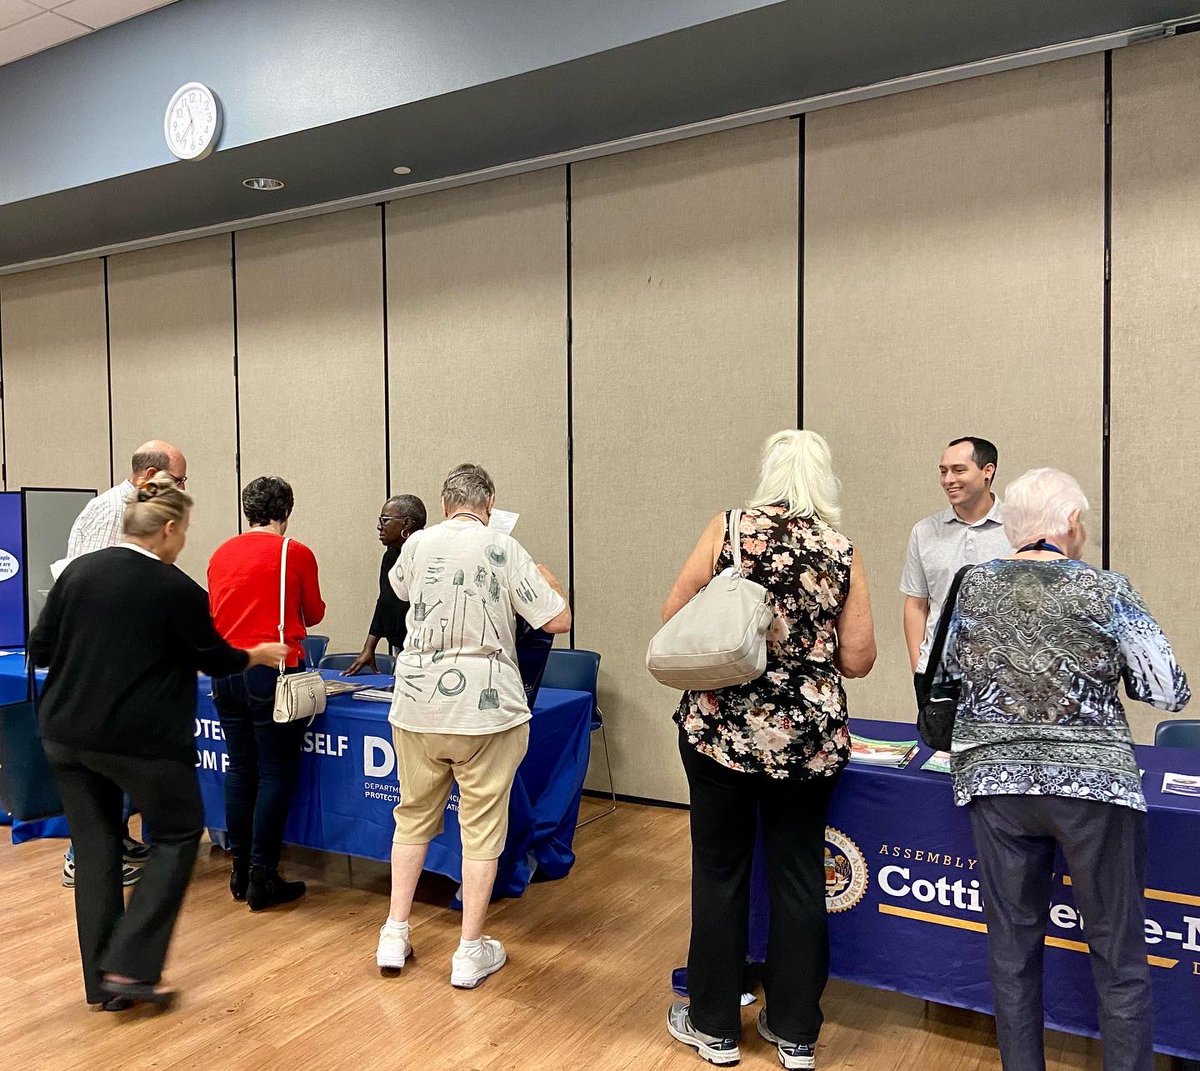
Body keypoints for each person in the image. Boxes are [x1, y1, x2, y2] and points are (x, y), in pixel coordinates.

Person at [935, 468, 1189, 1071]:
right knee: (1118, 956)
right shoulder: (1105, 589)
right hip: (1093, 789)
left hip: (995, 783)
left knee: (1012, 951)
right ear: (1072, 525)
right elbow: (1169, 692)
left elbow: (941, 670)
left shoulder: (971, 587)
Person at [29, 471, 287, 1010]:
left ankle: (101, 983)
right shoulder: (175, 589)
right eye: (185, 530)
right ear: (167, 529)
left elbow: (41, 650)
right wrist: (257, 656)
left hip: (66, 735)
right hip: (139, 741)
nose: (185, 540)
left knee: (97, 851)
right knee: (177, 834)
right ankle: (128, 967)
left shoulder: (77, 574)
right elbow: (213, 659)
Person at [663, 429, 876, 1070]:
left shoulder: (730, 529)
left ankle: (715, 1027)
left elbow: (675, 614)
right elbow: (860, 659)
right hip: (808, 743)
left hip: (719, 732)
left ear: (769, 473)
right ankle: (795, 1033)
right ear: (825, 479)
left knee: (720, 873)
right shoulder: (840, 550)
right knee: (799, 879)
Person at [374, 463, 571, 989]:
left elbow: (400, 591)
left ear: (443, 505)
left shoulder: (416, 544)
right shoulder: (506, 547)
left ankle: (394, 932)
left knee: (412, 817)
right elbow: (557, 620)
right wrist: (548, 581)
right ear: (489, 505)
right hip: (485, 710)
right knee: (482, 826)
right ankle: (468, 950)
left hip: (416, 703)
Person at [60, 439, 188, 888]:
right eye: (179, 479)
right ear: (147, 477)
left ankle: (115, 840)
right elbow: (89, 586)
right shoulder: (109, 511)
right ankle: (84, 856)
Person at [207, 476, 326, 911]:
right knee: (274, 773)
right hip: (272, 671)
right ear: (286, 512)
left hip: (227, 671)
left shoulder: (221, 553)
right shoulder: (293, 553)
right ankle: (263, 875)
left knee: (240, 769)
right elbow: (313, 612)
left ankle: (238, 870)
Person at [901, 436, 1010, 706]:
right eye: (943, 471)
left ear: (988, 471)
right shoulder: (924, 531)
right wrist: (920, 666)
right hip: (938, 677)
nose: (948, 479)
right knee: (940, 748)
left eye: (959, 470)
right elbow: (916, 604)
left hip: (1005, 677)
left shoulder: (1019, 528)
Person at [344, 494, 427, 675]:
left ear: (406, 524)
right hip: (399, 646)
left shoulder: (425, 557)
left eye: (385, 520)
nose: (379, 526)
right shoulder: (390, 555)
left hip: (423, 651)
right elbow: (385, 601)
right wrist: (369, 647)